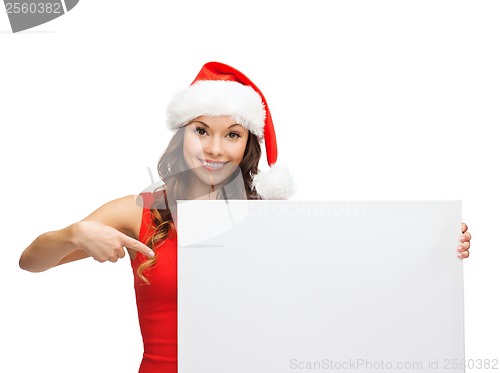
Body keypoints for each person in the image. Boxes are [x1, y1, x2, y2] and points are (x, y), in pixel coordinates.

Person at [18, 62, 472, 373]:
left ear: (246, 146)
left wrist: (432, 249)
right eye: (202, 131)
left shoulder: (266, 220)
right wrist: (76, 233)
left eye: (231, 135)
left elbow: (343, 283)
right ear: (182, 135)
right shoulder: (138, 211)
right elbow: (30, 262)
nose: (215, 149)